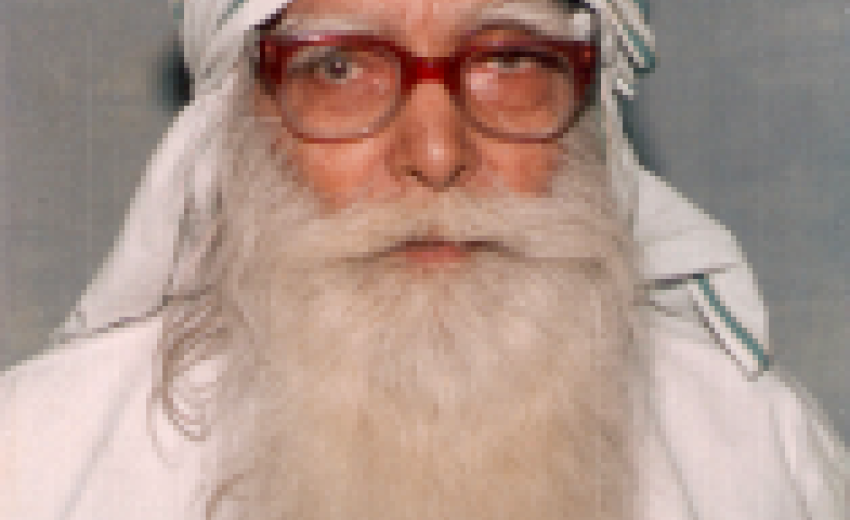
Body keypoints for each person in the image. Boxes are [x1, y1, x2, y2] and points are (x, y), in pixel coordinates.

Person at [1, 0, 847, 518]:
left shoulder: (755, 448)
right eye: (339, 68)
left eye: (509, 59)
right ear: (237, 121)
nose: (437, 154)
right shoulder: (37, 460)